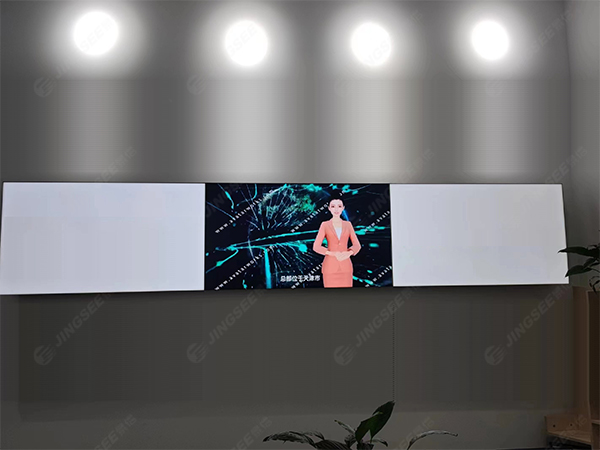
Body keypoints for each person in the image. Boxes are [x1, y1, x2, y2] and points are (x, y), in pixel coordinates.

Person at [312, 198, 361, 288]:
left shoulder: (348, 224)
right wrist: (333, 253)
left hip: (346, 267)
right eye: (333, 206)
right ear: (329, 208)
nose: (336, 209)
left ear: (343, 208)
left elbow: (357, 245)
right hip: (330, 267)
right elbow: (316, 246)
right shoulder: (325, 224)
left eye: (339, 206)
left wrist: (349, 253)